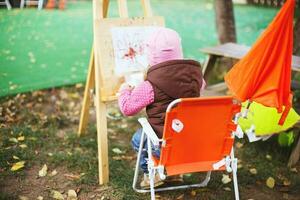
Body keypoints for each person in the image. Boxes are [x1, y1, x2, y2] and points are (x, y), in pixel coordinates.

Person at [118, 27, 204, 188]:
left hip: (162, 143)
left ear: (150, 54)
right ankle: (174, 173)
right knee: (175, 129)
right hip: (188, 140)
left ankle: (153, 174)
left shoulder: (150, 85)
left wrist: (125, 89)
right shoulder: (197, 78)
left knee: (139, 138)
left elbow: (127, 109)